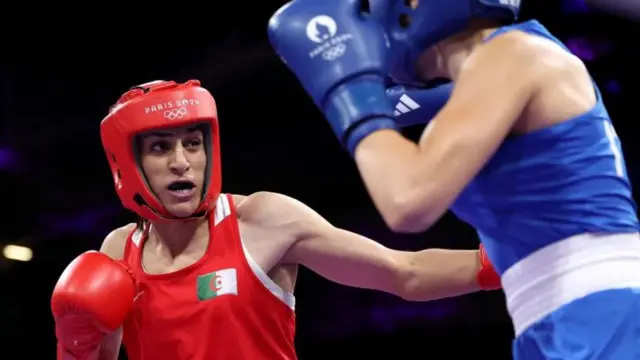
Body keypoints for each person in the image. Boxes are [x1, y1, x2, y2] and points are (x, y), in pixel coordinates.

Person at [268, 0, 640, 358]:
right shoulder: (502, 67)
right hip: (555, 318)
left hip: (603, 308)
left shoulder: (512, 53)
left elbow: (407, 199)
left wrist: (347, 89)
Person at [50, 80, 500, 360]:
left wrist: (515, 263)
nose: (183, 162)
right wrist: (74, 344)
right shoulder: (117, 253)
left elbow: (405, 273)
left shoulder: (262, 220)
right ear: (128, 164)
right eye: (161, 147)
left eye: (193, 142)